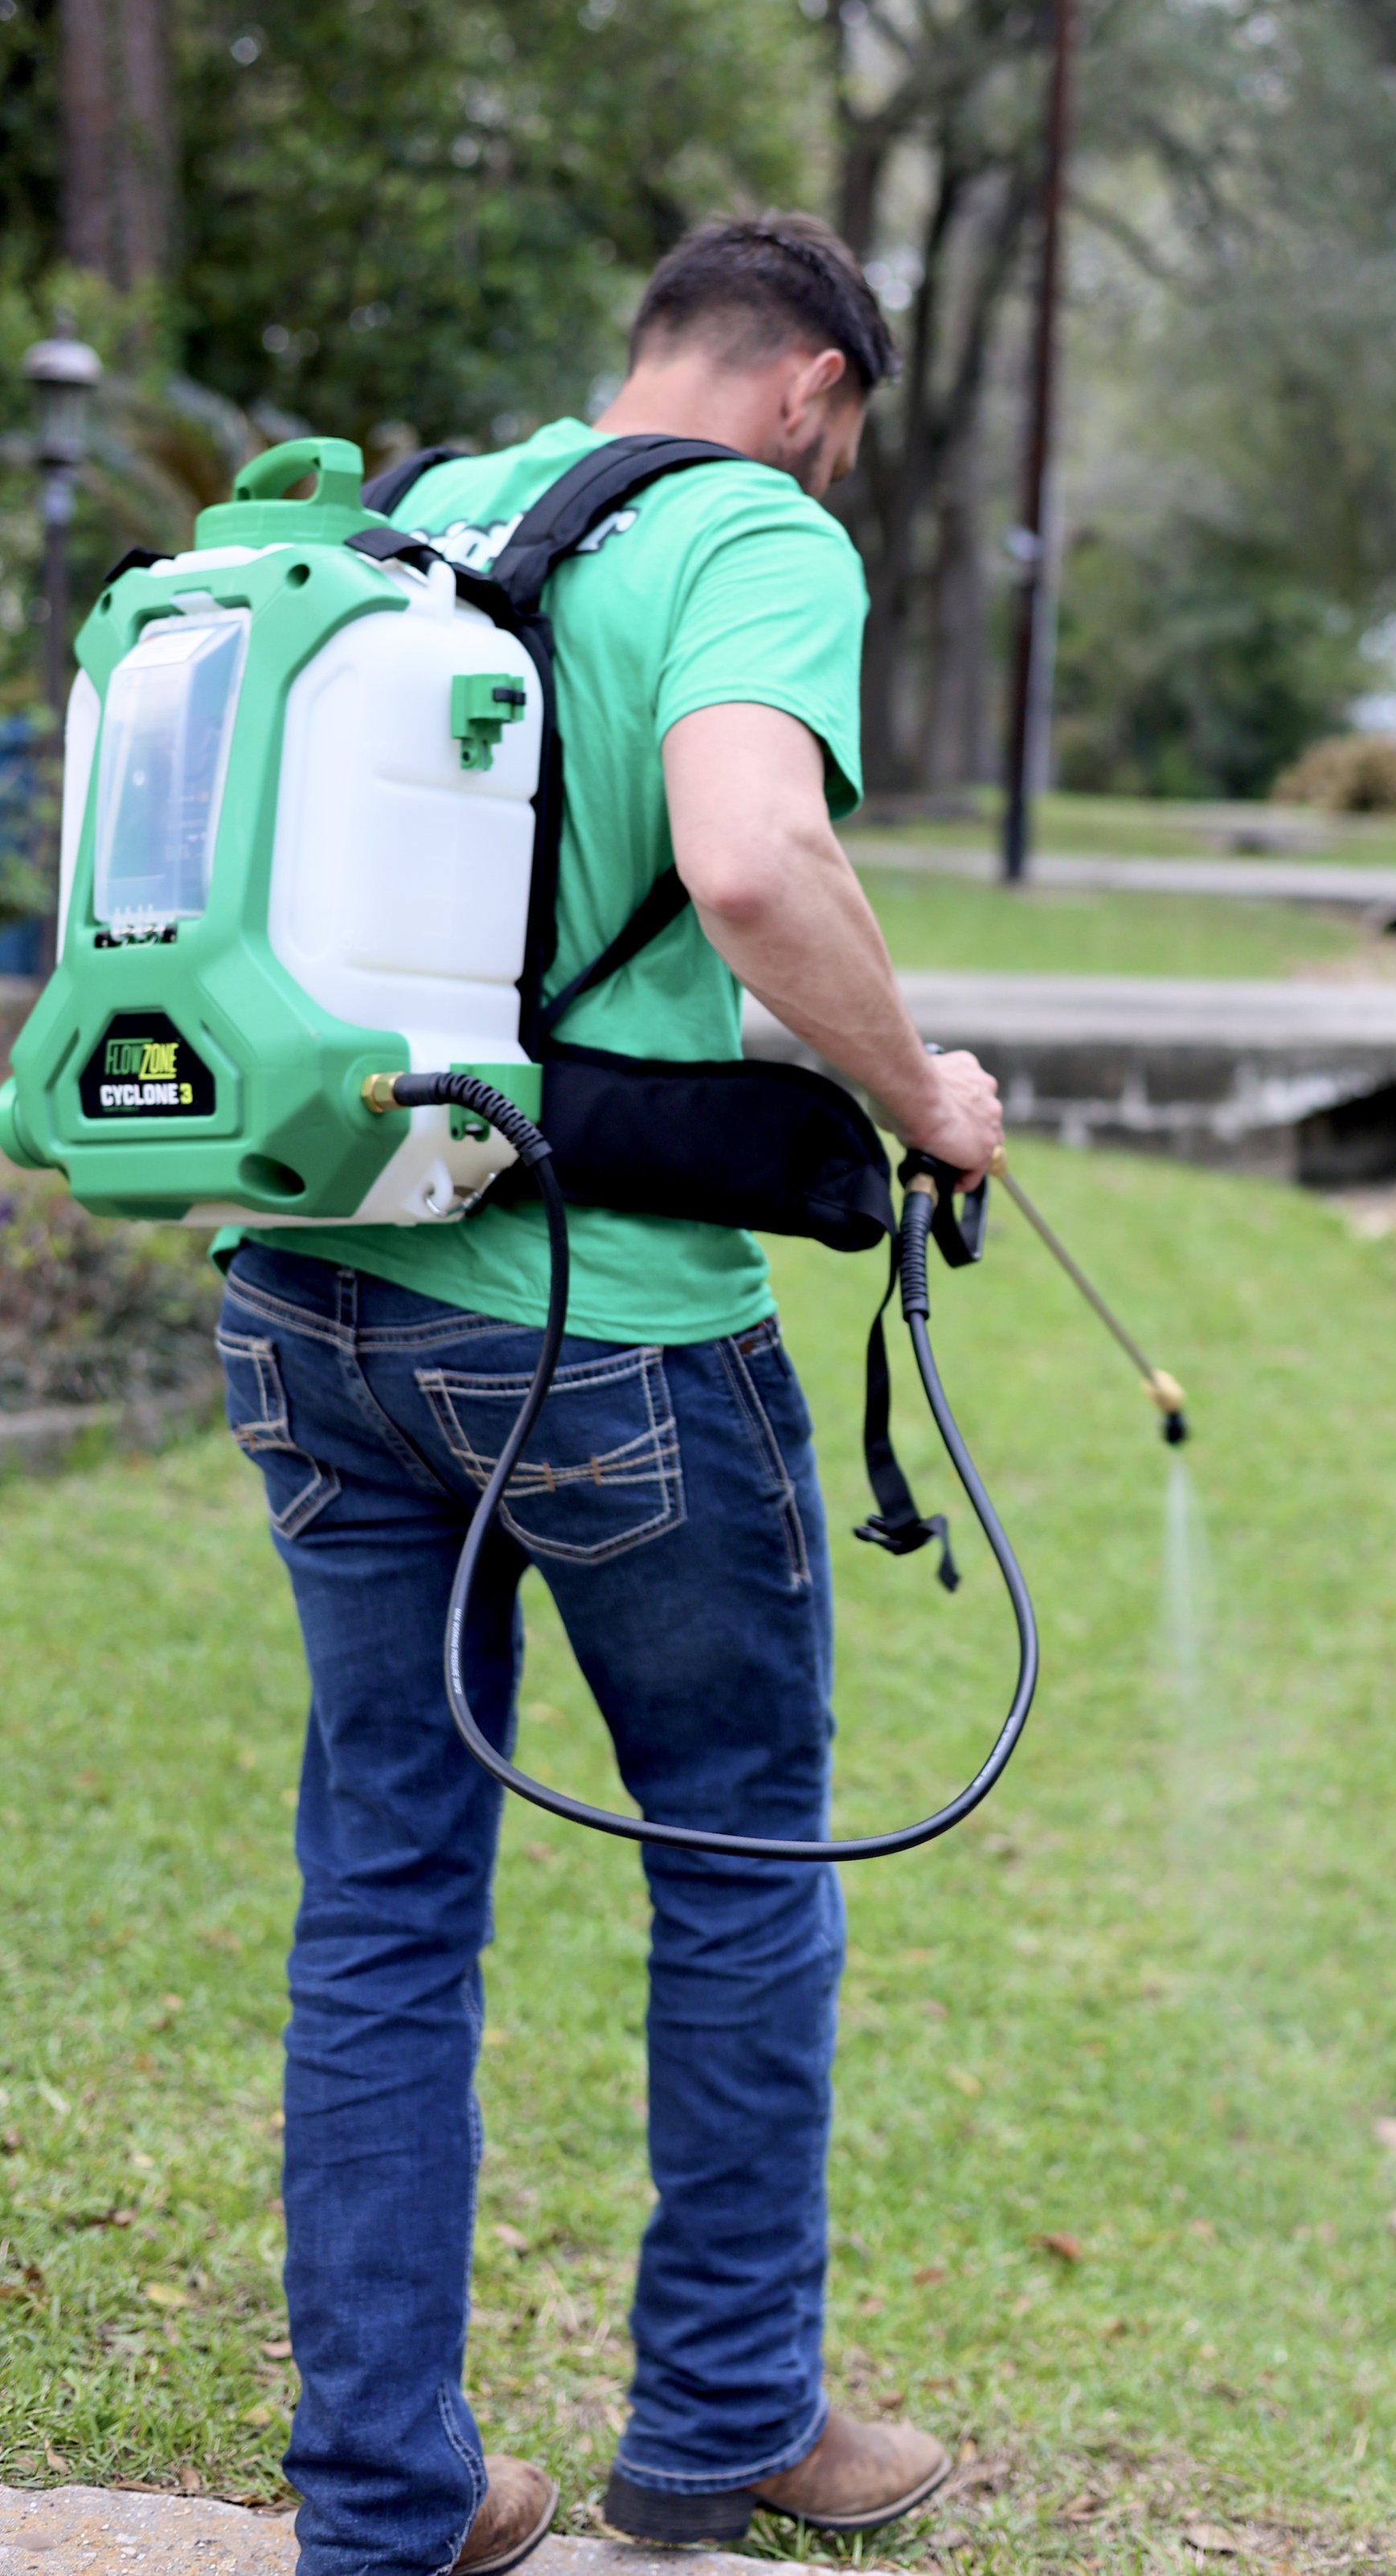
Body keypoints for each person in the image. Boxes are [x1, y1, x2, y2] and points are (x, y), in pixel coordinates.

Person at [215, 215, 1004, 2576]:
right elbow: (754, 861)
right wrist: (925, 1096)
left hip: (311, 1282)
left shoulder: (435, 513)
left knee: (378, 1891)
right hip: (602, 1330)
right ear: (814, 393)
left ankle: (385, 2499)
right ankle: (733, 2417)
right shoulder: (751, 528)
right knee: (745, 1849)